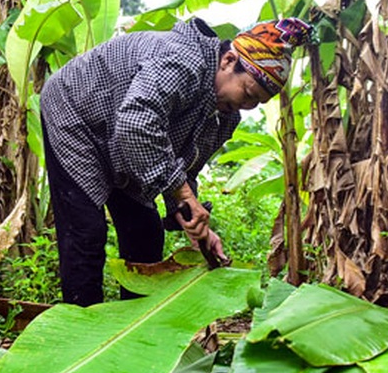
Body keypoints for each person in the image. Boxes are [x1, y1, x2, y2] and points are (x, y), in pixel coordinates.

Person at [40, 16, 312, 306]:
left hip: (122, 140)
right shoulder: (184, 62)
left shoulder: (225, 115)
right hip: (77, 113)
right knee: (86, 233)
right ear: (228, 60)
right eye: (246, 92)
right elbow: (136, 123)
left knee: (145, 233)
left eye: (255, 103)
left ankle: (135, 329)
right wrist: (182, 194)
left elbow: (184, 168)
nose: (246, 105)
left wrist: (196, 227)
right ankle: (83, 333)